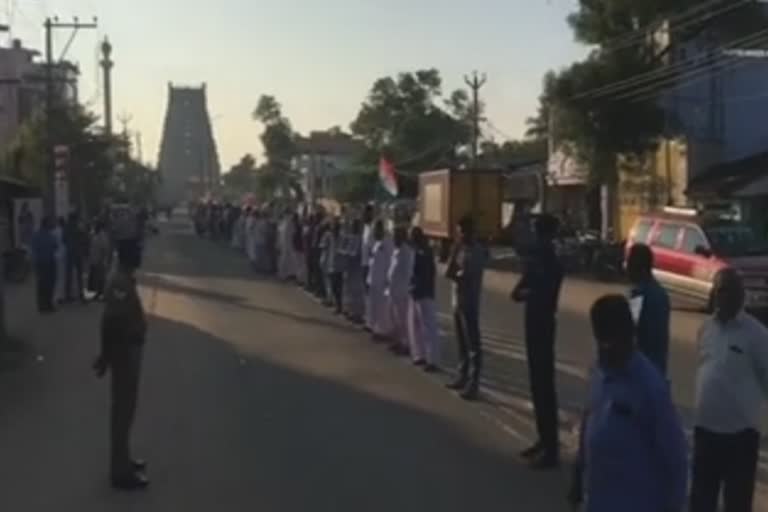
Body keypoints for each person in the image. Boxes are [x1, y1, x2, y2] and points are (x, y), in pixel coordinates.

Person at [570, 295, 687, 512]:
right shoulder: (598, 370)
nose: (605, 351)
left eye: (612, 344)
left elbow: (676, 457)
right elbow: (589, 419)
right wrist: (578, 475)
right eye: (601, 343)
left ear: (630, 336)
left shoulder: (650, 387)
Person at [689, 269, 768, 512]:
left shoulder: (757, 335)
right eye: (720, 290)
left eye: (730, 291)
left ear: (741, 295)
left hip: (740, 437)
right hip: (705, 432)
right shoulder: (706, 329)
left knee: (737, 504)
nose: (724, 297)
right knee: (701, 502)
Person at [92, 243, 149, 490]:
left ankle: (124, 459)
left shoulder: (125, 278)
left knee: (127, 410)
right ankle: (120, 472)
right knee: (122, 413)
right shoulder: (119, 283)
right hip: (123, 352)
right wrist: (105, 357)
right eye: (137, 251)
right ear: (127, 256)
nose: (140, 254)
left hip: (129, 350)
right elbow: (110, 322)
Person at [511, 213, 564, 467]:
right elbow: (519, 290)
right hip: (534, 321)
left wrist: (526, 291)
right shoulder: (539, 257)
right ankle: (543, 439)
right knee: (537, 384)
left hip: (542, 322)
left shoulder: (550, 259)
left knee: (544, 385)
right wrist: (525, 290)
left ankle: (551, 448)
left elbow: (540, 290)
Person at [445, 215, 487, 401]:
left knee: (473, 345)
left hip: (469, 302)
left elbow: (464, 276)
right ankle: (462, 375)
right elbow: (450, 272)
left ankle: (473, 383)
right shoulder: (460, 249)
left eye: (461, 232)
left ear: (469, 232)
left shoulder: (476, 251)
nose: (458, 235)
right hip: (457, 301)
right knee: (462, 342)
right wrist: (454, 253)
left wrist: (456, 272)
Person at [626, 243, 671, 375]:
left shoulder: (639, 294)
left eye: (629, 263)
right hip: (657, 367)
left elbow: (631, 331)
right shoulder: (660, 293)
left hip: (640, 370)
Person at [408, 226, 440, 372]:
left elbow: (426, 275)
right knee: (415, 326)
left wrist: (417, 287)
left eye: (412, 237)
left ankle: (432, 359)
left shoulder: (424, 252)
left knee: (428, 328)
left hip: (424, 294)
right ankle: (419, 355)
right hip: (415, 293)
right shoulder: (416, 251)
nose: (411, 239)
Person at [386, 225, 414, 356]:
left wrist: (406, 289)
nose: (394, 239)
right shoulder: (396, 250)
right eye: (394, 236)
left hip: (402, 290)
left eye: (397, 236)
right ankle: (397, 342)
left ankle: (406, 344)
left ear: (402, 237)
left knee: (402, 319)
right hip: (392, 289)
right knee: (393, 317)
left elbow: (408, 273)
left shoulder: (406, 252)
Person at [367, 219, 393, 341]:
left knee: (382, 307)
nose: (375, 232)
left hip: (383, 280)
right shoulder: (376, 243)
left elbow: (390, 261)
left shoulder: (388, 241)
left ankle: (383, 331)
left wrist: (388, 278)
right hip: (373, 279)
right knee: (374, 306)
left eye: (377, 229)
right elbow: (372, 261)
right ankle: (374, 328)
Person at [31, 216, 58, 313]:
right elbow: (55, 246)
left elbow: (33, 250)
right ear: (46, 224)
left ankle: (42, 306)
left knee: (41, 285)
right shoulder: (50, 235)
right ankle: (48, 304)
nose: (52, 224)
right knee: (49, 284)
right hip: (49, 262)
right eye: (50, 223)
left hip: (41, 263)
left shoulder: (36, 235)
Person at [341, 218, 365, 324]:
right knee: (348, 290)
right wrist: (344, 252)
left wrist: (346, 253)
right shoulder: (350, 238)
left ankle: (358, 315)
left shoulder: (361, 239)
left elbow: (356, 254)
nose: (354, 227)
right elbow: (345, 249)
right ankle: (350, 311)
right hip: (349, 267)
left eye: (356, 225)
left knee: (357, 292)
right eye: (353, 225)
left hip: (357, 268)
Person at [321, 218, 345, 314]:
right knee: (334, 286)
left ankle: (339, 306)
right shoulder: (328, 236)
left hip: (340, 265)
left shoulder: (342, 237)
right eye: (334, 226)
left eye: (336, 227)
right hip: (331, 263)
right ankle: (337, 304)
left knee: (338, 286)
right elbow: (323, 246)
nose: (334, 228)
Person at [64, 211, 89, 303]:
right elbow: (85, 238)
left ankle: (67, 296)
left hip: (70, 252)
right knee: (79, 275)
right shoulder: (79, 226)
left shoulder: (66, 227)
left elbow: (64, 239)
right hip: (78, 252)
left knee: (69, 274)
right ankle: (81, 296)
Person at [88, 220, 111, 300]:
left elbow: (105, 248)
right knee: (97, 279)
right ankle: (98, 294)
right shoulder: (96, 235)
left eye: (96, 226)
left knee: (101, 279)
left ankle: (103, 295)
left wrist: (102, 259)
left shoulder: (102, 236)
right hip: (95, 260)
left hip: (100, 260)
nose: (95, 227)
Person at [361, 204, 375, 331]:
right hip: (363, 263)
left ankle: (371, 321)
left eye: (366, 213)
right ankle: (368, 319)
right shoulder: (364, 228)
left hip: (370, 266)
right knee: (366, 293)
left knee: (370, 294)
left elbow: (372, 249)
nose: (364, 215)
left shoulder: (372, 229)